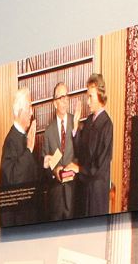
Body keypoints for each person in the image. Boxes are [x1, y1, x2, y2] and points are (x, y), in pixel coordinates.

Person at [0, 87, 55, 226]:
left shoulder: (24, 137)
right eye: (29, 107)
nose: (31, 112)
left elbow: (30, 174)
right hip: (17, 221)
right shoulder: (11, 141)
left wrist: (43, 165)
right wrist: (29, 149)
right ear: (20, 111)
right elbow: (13, 179)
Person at [76, 72, 115, 216]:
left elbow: (100, 165)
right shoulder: (88, 122)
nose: (87, 102)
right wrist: (75, 129)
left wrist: (79, 169)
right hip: (86, 188)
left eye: (90, 97)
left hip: (97, 192)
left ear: (100, 96)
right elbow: (80, 151)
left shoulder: (106, 125)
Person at [44, 82, 77, 220]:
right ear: (54, 103)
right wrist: (54, 170)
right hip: (56, 197)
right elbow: (46, 163)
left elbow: (83, 153)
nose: (64, 101)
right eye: (61, 97)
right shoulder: (48, 131)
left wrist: (74, 166)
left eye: (66, 97)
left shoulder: (76, 123)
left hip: (74, 192)